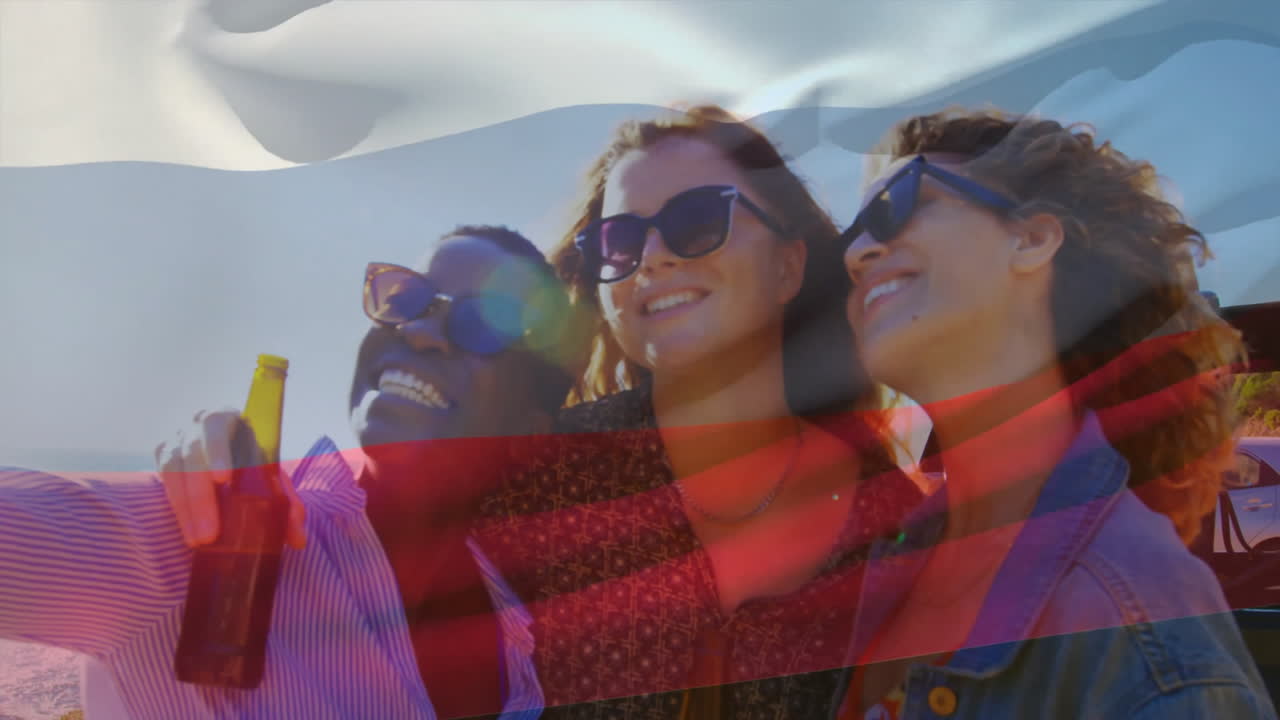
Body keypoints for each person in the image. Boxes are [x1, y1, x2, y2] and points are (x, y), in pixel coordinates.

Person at [0, 225, 588, 720]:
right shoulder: (204, 535)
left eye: (485, 322)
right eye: (405, 298)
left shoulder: (518, 629)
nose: (418, 330)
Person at [474, 105, 923, 718]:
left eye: (698, 219)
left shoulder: (897, 527)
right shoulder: (531, 483)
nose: (653, 258)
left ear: (788, 266)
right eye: (621, 240)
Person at [832, 108, 1276, 718]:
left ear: (1033, 238)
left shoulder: (1137, 617)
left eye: (897, 204)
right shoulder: (892, 563)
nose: (858, 251)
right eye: (850, 233)